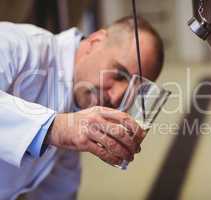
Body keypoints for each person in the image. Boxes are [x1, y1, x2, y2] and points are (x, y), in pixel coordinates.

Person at [0, 16, 164, 200]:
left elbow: (59, 191)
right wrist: (56, 127)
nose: (117, 97)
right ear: (95, 42)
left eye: (132, 92)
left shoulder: (77, 111)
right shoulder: (18, 44)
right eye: (119, 74)